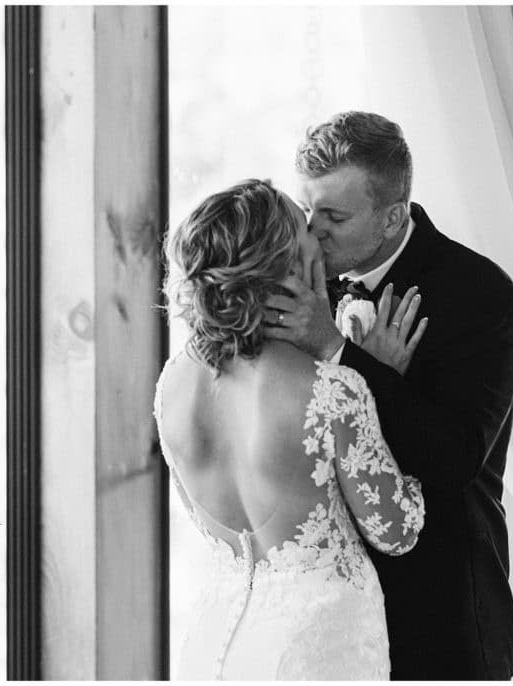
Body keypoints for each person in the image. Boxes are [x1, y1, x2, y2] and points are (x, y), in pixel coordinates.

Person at [264, 111, 513, 680]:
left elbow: (455, 459)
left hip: (440, 621)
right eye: (307, 209)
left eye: (334, 215)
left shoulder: (483, 299)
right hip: (326, 621)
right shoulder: (304, 279)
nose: (312, 231)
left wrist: (339, 351)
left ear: (392, 216)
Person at [155, 179, 427, 679]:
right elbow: (397, 530)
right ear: (286, 263)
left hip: (216, 641)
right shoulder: (332, 391)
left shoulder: (174, 381)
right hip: (314, 649)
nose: (318, 238)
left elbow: (204, 516)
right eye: (304, 228)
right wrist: (382, 381)